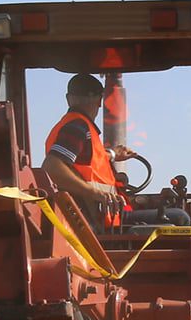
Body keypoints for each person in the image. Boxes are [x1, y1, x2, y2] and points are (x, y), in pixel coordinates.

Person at [41, 72, 138, 227]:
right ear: (100, 101)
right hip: (98, 220)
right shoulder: (78, 128)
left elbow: (86, 163)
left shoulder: (69, 126)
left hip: (101, 216)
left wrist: (112, 154)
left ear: (68, 98)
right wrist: (96, 193)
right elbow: (52, 167)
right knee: (179, 217)